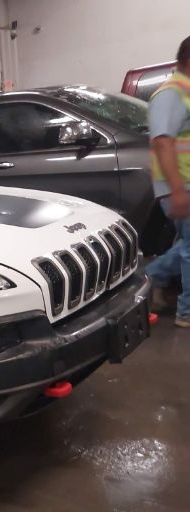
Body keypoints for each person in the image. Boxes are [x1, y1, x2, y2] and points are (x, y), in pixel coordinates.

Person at [147, 35, 190, 327]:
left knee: (187, 246)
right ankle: (186, 312)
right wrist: (176, 190)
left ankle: (150, 276)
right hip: (181, 185)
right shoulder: (171, 93)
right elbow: (163, 142)